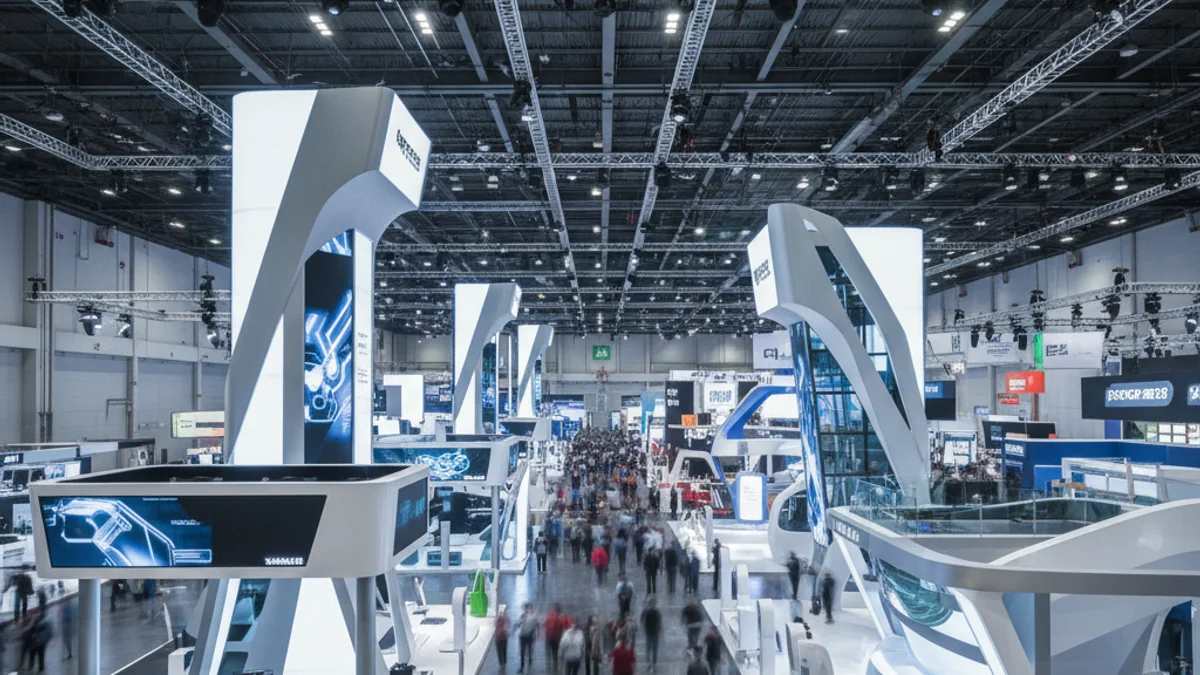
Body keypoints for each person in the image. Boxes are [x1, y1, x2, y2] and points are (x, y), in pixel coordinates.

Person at [640, 596, 662, 669]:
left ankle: (648, 661)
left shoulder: (645, 610)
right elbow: (659, 620)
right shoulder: (657, 611)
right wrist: (659, 628)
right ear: (655, 603)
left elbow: (641, 619)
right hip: (655, 630)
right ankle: (654, 661)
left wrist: (643, 627)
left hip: (648, 630)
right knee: (655, 646)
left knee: (648, 646)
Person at [517, 604, 538, 673]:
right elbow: (537, 625)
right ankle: (527, 662)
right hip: (528, 636)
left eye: (526, 608)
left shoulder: (527, 616)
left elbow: (519, 624)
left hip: (525, 636)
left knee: (524, 651)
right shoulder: (530, 615)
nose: (525, 610)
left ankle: (523, 666)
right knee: (527, 650)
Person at [544, 604, 567, 670]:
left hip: (549, 636)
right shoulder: (561, 617)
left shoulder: (550, 615)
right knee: (555, 652)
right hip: (557, 637)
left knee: (549, 652)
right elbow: (563, 627)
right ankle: (555, 665)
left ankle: (549, 665)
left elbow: (545, 624)